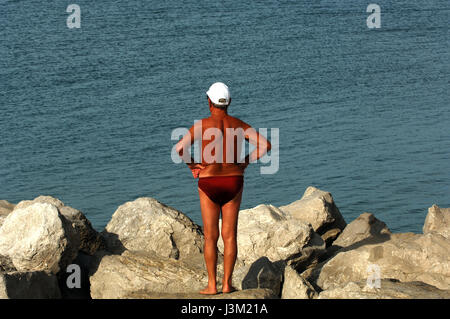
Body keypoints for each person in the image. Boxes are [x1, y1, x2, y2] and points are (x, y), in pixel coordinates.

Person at [176, 82, 271, 294]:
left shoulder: (201, 125)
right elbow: (265, 146)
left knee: (210, 236)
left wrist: (193, 165)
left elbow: (180, 148)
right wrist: (246, 160)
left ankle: (212, 285)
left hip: (208, 181)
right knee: (230, 235)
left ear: (209, 101)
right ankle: (227, 284)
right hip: (233, 181)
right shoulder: (239, 125)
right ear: (229, 103)